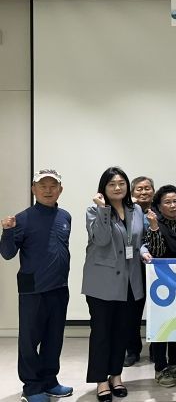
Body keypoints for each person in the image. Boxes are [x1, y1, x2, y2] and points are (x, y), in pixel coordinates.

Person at [0, 169, 73, 402]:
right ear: (34, 189)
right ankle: (31, 387)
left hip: (59, 288)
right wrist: (7, 231)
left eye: (53, 186)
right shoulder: (22, 218)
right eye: (43, 186)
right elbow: (7, 254)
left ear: (60, 189)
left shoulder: (65, 217)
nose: (48, 190)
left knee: (54, 338)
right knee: (29, 341)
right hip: (33, 289)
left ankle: (50, 381)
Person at [82, 167, 146, 402]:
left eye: (121, 183)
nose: (117, 188)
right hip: (102, 282)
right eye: (112, 184)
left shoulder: (136, 209)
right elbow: (100, 239)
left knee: (122, 332)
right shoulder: (94, 210)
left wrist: (144, 251)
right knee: (101, 333)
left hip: (129, 281)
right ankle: (101, 380)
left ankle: (116, 376)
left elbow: (140, 240)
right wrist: (103, 209)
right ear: (104, 188)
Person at [143, 185, 176, 389]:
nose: (173, 206)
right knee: (162, 325)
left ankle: (174, 363)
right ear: (158, 206)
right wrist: (154, 226)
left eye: (175, 201)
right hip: (161, 283)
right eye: (167, 202)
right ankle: (160, 367)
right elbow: (156, 251)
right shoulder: (153, 224)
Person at [123, 176, 155, 368]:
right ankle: (132, 350)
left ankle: (156, 350)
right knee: (132, 312)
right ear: (132, 192)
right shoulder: (125, 211)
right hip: (133, 267)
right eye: (139, 189)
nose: (144, 192)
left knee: (157, 309)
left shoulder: (159, 210)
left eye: (147, 188)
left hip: (156, 267)